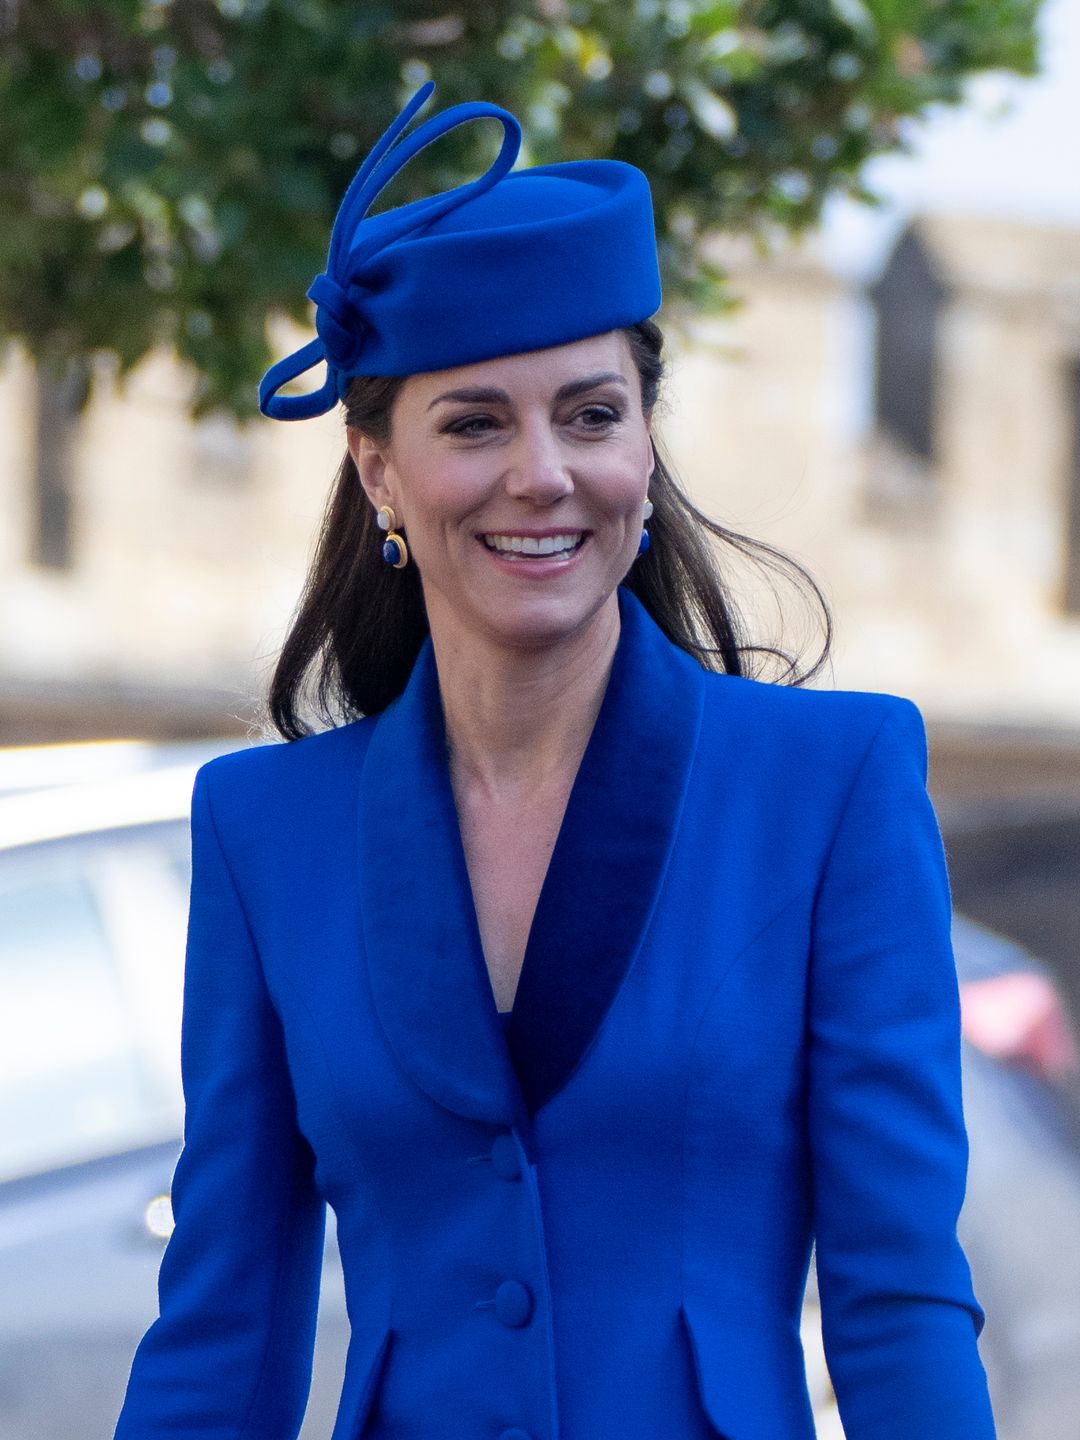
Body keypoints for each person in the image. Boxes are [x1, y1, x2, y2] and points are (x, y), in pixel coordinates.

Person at [113, 81, 997, 1440]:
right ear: (376, 470)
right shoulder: (263, 828)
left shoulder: (833, 784)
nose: (544, 474)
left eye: (591, 415)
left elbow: (900, 1296)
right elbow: (221, 1325)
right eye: (475, 423)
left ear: (646, 445)